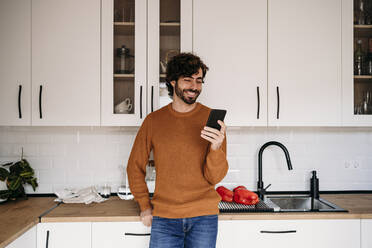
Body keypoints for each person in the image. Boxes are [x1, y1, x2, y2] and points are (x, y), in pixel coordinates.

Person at [127, 52, 228, 248]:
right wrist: (144, 206)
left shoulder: (212, 121)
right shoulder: (154, 121)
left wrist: (216, 149)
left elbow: (214, 177)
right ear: (173, 82)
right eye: (188, 80)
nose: (194, 87)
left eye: (199, 81)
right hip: (165, 218)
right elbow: (134, 167)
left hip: (204, 217)